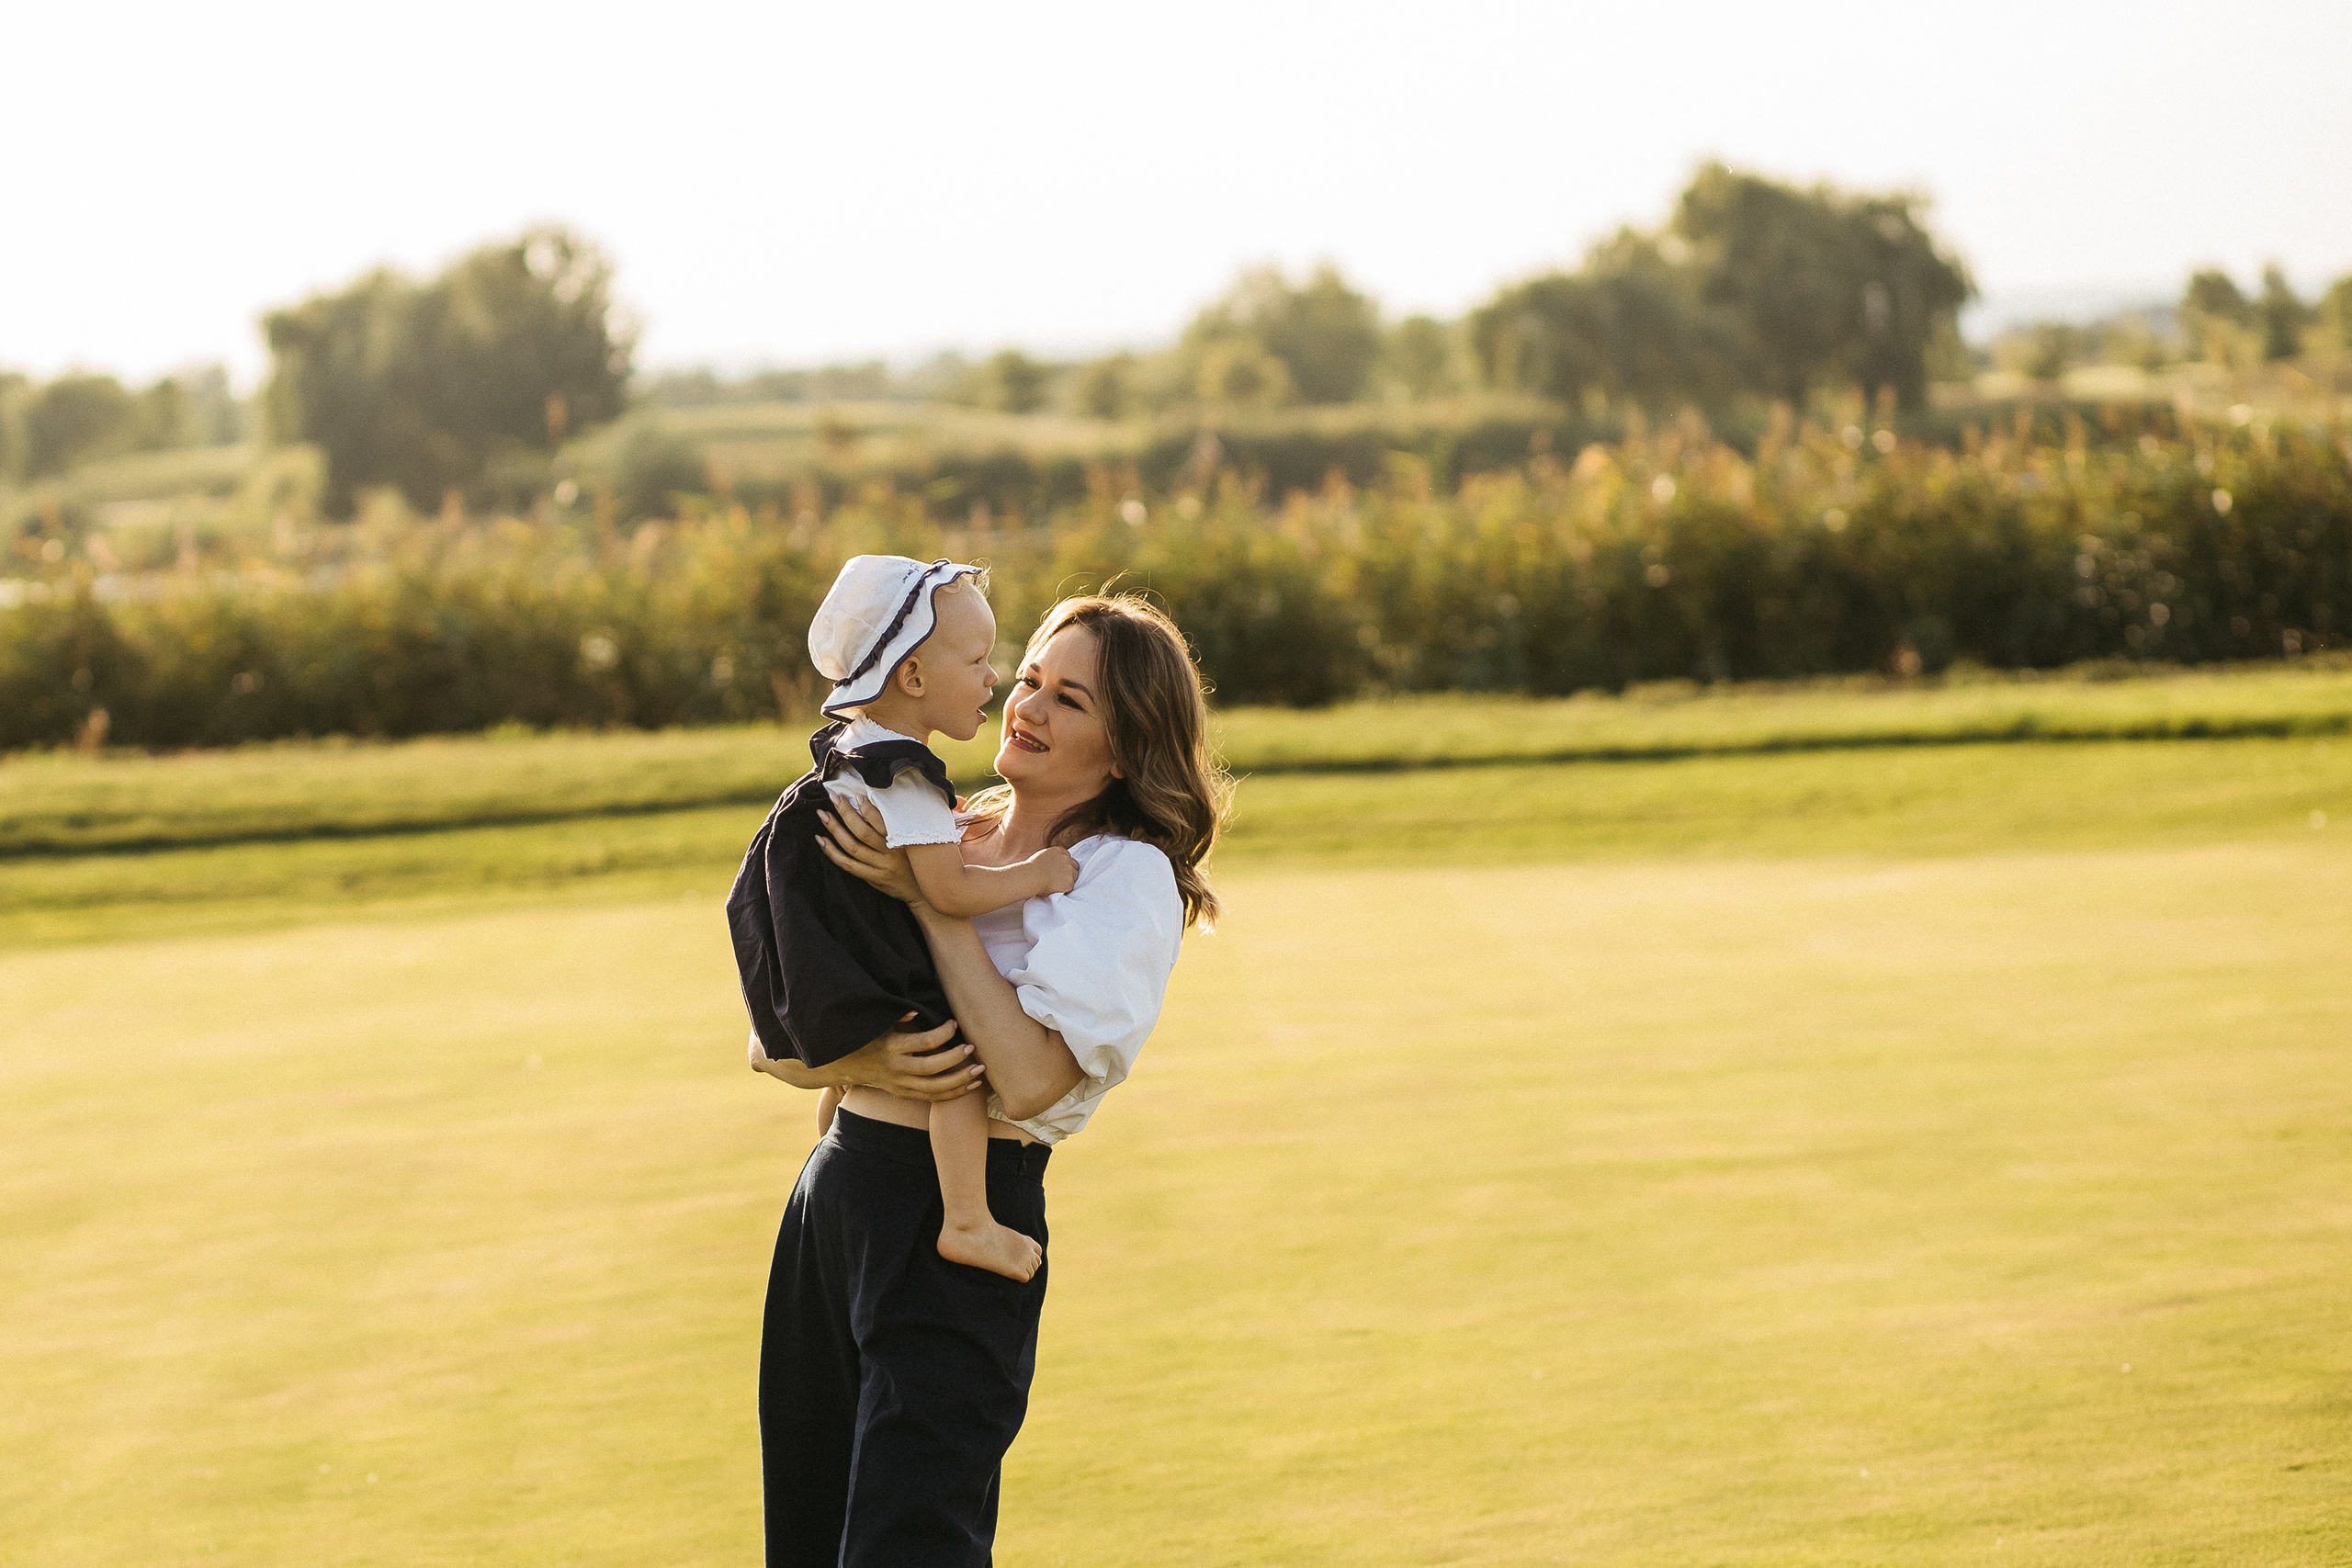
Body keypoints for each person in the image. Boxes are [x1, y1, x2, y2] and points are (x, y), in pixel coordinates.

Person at [750, 593, 1227, 1567]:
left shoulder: (1117, 874)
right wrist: (866, 1061)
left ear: (1128, 747)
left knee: (906, 1545)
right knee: (806, 1534)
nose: (1029, 707)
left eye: (1072, 701)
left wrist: (929, 905)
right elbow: (775, 1043)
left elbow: (1030, 1078)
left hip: (956, 1226)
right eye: (1030, 681)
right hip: (838, 1194)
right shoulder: (944, 823)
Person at [728, 554, 1078, 1283]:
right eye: (979, 659)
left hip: (837, 954)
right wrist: (1035, 874)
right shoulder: (909, 773)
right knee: (955, 1071)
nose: (995, 677)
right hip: (882, 949)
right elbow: (946, 894)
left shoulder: (853, 750)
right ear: (913, 679)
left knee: (876, 1059)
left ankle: (836, 1137)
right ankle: (968, 1219)